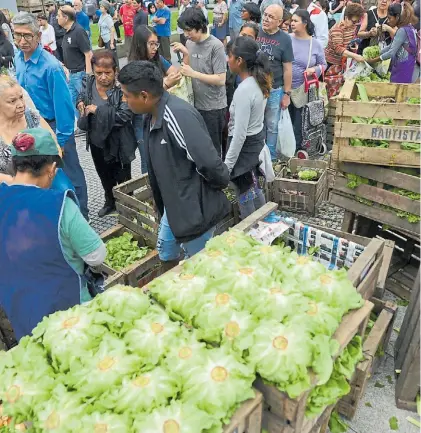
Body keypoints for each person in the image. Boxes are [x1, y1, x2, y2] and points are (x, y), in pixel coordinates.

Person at [0, 128, 106, 341]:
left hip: (23, 317)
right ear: (51, 169)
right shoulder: (59, 205)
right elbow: (96, 255)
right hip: (69, 319)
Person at [119, 61, 230, 261]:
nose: (124, 99)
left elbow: (211, 165)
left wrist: (202, 196)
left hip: (195, 213)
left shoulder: (177, 116)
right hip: (174, 207)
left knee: (199, 267)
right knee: (166, 253)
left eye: (126, 95)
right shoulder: (150, 116)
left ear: (144, 96)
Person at [13, 11, 89, 219]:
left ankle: (82, 216)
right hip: (32, 128)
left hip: (56, 128)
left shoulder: (51, 67)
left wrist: (61, 141)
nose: (22, 40)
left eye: (27, 35)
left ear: (38, 36)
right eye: (17, 35)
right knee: (44, 176)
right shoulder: (18, 59)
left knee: (70, 173)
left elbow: (64, 108)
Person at [77, 51, 137, 217]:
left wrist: (98, 111)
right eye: (98, 73)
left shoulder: (123, 89)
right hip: (97, 140)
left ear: (115, 71)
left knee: (124, 178)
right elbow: (82, 95)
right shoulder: (89, 83)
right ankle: (110, 201)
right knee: (104, 174)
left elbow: (124, 116)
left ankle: (128, 209)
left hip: (119, 142)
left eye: (107, 73)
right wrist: (80, 103)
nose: (103, 77)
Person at [226, 36, 271, 219]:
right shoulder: (259, 81)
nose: (227, 60)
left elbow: (239, 134)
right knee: (252, 186)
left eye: (229, 55)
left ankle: (252, 231)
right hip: (255, 142)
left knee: (244, 193)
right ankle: (266, 223)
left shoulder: (244, 90)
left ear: (239, 61)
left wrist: (227, 166)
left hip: (244, 149)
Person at [174, 8, 228, 156]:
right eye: (184, 31)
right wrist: (185, 54)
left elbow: (221, 79)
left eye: (189, 30)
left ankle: (218, 178)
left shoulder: (216, 46)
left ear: (200, 26)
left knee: (214, 149)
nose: (186, 34)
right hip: (196, 105)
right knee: (200, 146)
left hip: (213, 108)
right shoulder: (190, 43)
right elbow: (189, 67)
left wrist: (194, 74)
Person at [129, 25, 182, 173]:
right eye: (151, 44)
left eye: (156, 43)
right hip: (143, 121)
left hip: (161, 115)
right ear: (140, 44)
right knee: (149, 161)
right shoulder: (133, 67)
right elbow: (144, 97)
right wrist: (164, 84)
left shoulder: (158, 58)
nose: (155, 48)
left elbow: (175, 74)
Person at [257, 4, 294, 159]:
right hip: (255, 87)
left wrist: (287, 94)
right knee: (256, 124)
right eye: (265, 14)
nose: (266, 18)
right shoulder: (255, 32)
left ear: (280, 22)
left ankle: (270, 157)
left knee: (272, 125)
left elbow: (287, 69)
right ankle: (256, 155)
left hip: (275, 89)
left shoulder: (285, 39)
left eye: (271, 17)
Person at [289, 10, 327, 150]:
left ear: (305, 23)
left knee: (300, 123)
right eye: (291, 20)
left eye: (295, 21)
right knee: (285, 122)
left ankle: (298, 150)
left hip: (303, 90)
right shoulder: (287, 39)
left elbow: (324, 64)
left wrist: (314, 70)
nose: (292, 23)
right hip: (285, 88)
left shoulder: (314, 44)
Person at [366, 2, 419, 82]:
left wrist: (373, 60)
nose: (388, 21)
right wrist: (378, 52)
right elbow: (392, 45)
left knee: (397, 90)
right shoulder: (409, 27)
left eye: (390, 18)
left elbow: (391, 52)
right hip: (408, 66)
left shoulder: (402, 30)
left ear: (397, 17)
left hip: (402, 69)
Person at [57, 5, 93, 118]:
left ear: (66, 17)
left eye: (58, 16)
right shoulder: (67, 32)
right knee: (75, 102)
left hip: (80, 74)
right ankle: (81, 124)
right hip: (71, 75)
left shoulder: (78, 31)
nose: (56, 18)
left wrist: (88, 75)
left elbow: (88, 54)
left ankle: (90, 124)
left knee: (86, 101)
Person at [324, 3, 366, 96]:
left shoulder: (351, 27)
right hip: (331, 65)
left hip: (342, 64)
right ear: (346, 17)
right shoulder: (337, 29)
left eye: (357, 22)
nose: (355, 25)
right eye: (354, 22)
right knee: (331, 92)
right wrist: (356, 56)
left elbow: (353, 37)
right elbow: (339, 49)